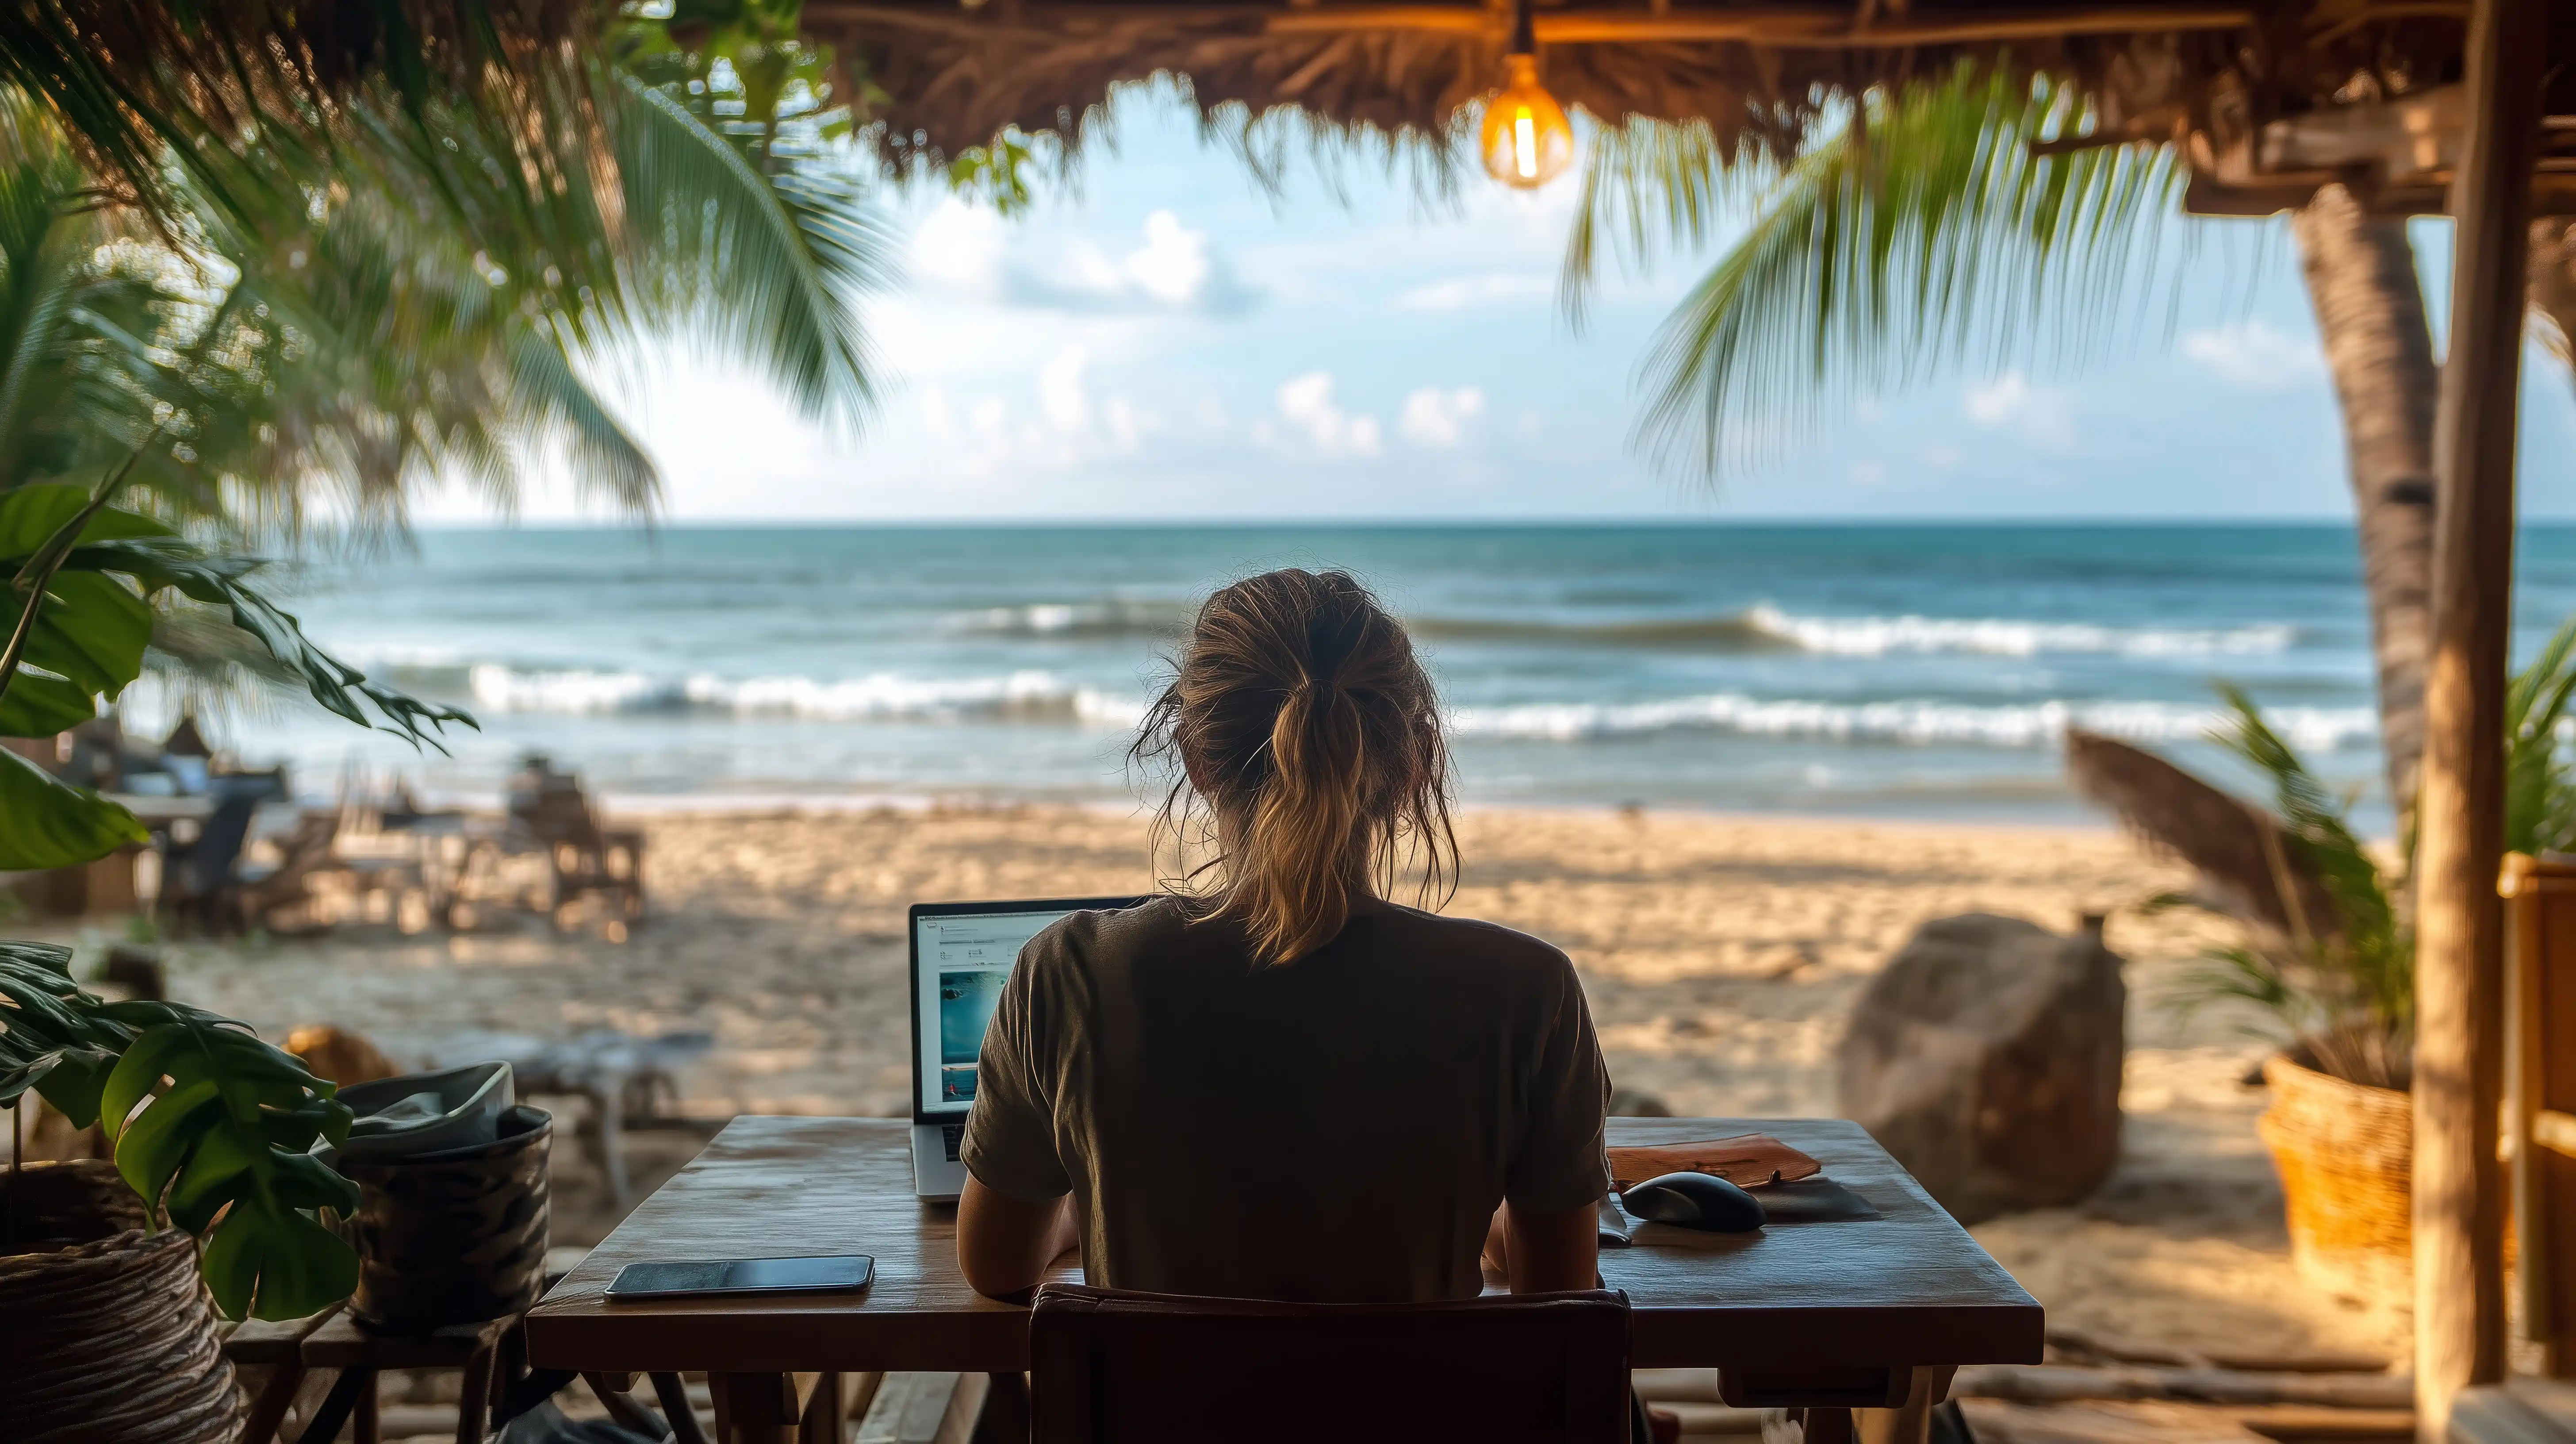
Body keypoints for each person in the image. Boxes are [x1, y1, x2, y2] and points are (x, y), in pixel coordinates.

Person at [954, 567, 1609, 1305]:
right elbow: (1561, 1302)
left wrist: (1082, 1212)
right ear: (1412, 765)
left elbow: (997, 1268)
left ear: (1196, 760)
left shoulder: (1067, 975)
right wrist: (1484, 1219)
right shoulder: (1529, 993)